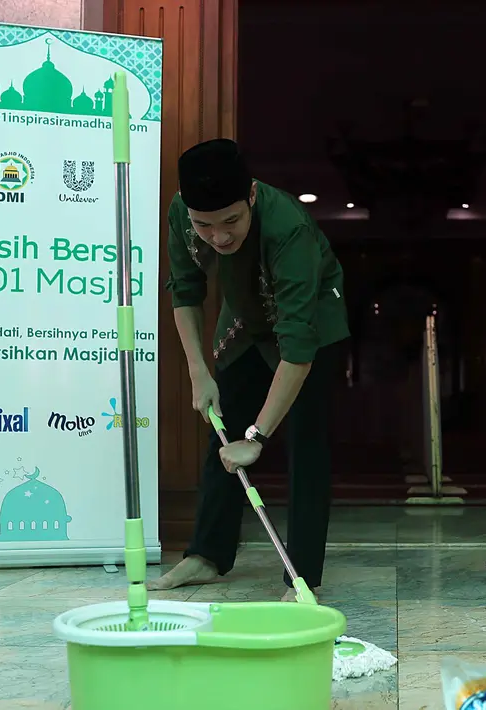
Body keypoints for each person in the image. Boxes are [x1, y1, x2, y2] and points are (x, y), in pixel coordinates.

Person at [147, 139, 350, 601]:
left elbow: (297, 349)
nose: (218, 237)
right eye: (205, 225)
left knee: (306, 446)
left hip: (309, 322)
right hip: (243, 321)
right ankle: (206, 555)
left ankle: (301, 578)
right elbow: (185, 291)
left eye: (231, 221)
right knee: (222, 434)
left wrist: (257, 438)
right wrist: (200, 372)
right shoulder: (182, 212)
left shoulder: (289, 230)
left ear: (252, 196)